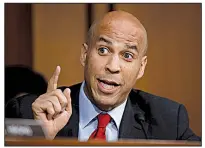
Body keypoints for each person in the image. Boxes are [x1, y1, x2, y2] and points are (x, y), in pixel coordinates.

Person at [5, 10, 201, 141]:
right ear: (84, 54)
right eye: (103, 50)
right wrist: (42, 141)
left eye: (127, 55)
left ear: (141, 68)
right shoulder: (27, 112)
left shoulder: (168, 121)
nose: (113, 67)